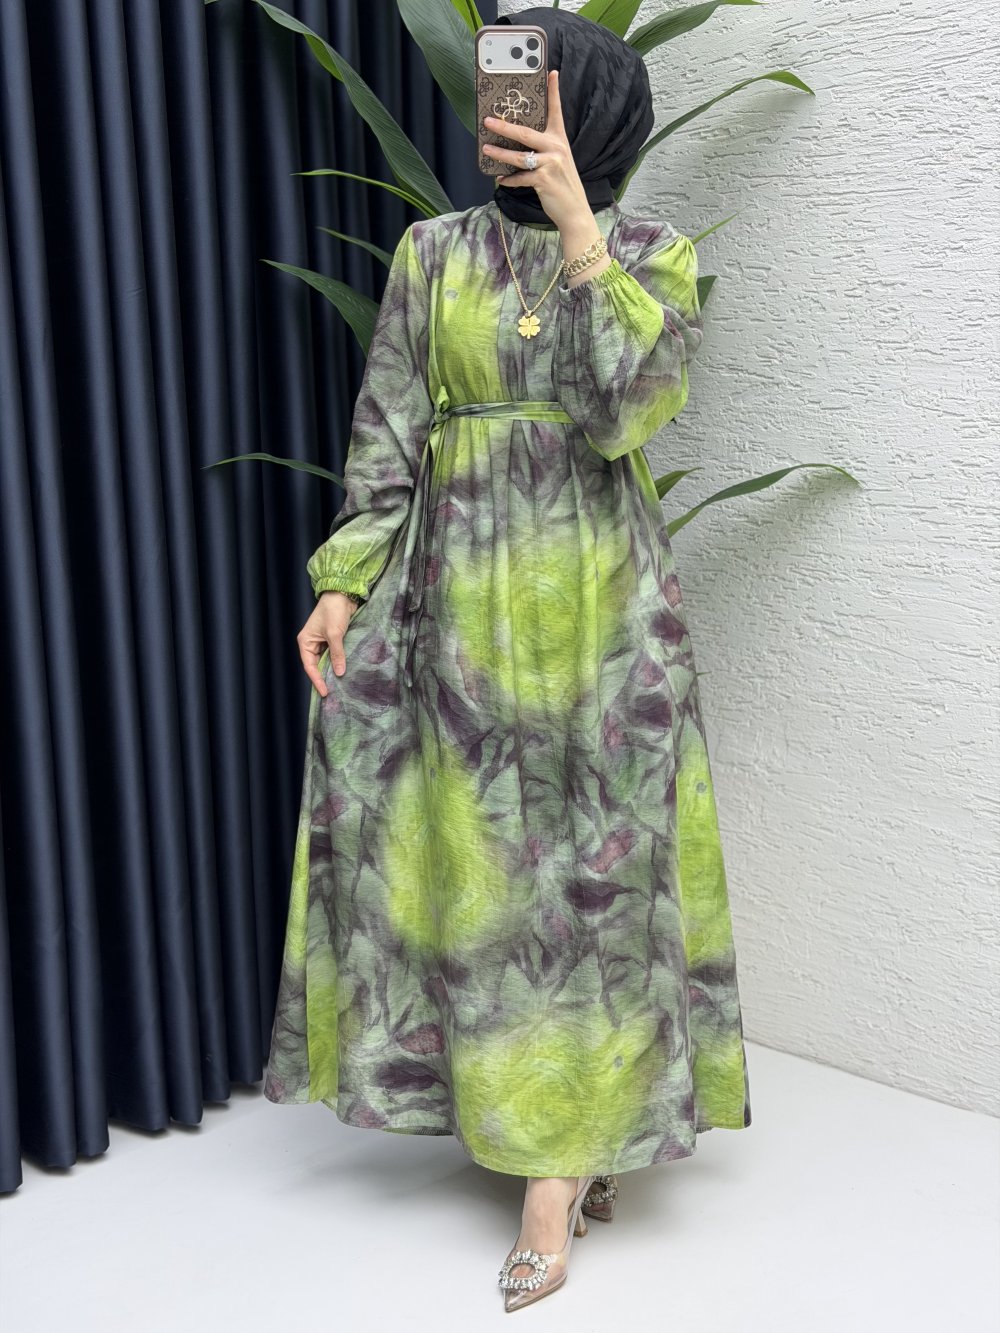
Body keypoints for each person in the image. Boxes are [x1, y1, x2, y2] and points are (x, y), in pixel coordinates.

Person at [262, 6, 751, 1313]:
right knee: (485, 878)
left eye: (531, 97)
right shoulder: (432, 254)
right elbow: (388, 427)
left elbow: (627, 410)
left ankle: (559, 1172)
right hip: (456, 615)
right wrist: (344, 578)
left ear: (590, 116)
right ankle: (544, 1123)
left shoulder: (653, 254)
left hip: (601, 618)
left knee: (594, 880)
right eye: (495, 94)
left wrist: (581, 226)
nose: (501, 118)